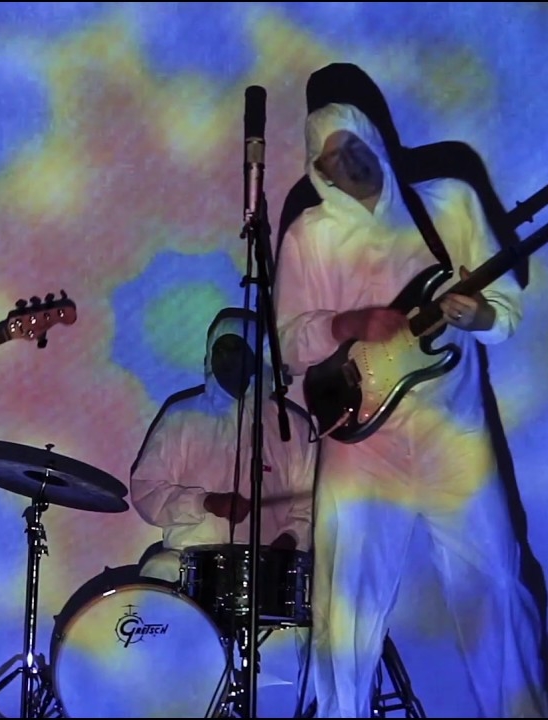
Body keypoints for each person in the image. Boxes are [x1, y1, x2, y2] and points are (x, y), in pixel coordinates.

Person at [273, 63, 548, 718]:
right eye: (333, 159)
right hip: (362, 451)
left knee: (496, 589)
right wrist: (351, 323)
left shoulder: (449, 201)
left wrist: (478, 317)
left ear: (375, 136)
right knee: (345, 609)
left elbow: (506, 310)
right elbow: (289, 344)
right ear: (319, 170)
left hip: (455, 437)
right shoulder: (309, 235)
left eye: (355, 145)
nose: (350, 164)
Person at [130, 306, 317, 717]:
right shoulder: (182, 417)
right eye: (220, 350)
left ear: (256, 358)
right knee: (155, 576)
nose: (227, 359)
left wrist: (289, 540)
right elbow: (145, 490)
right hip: (189, 563)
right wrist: (206, 502)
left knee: (319, 606)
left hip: (271, 570)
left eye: (237, 350)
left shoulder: (292, 427)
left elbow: (309, 504)